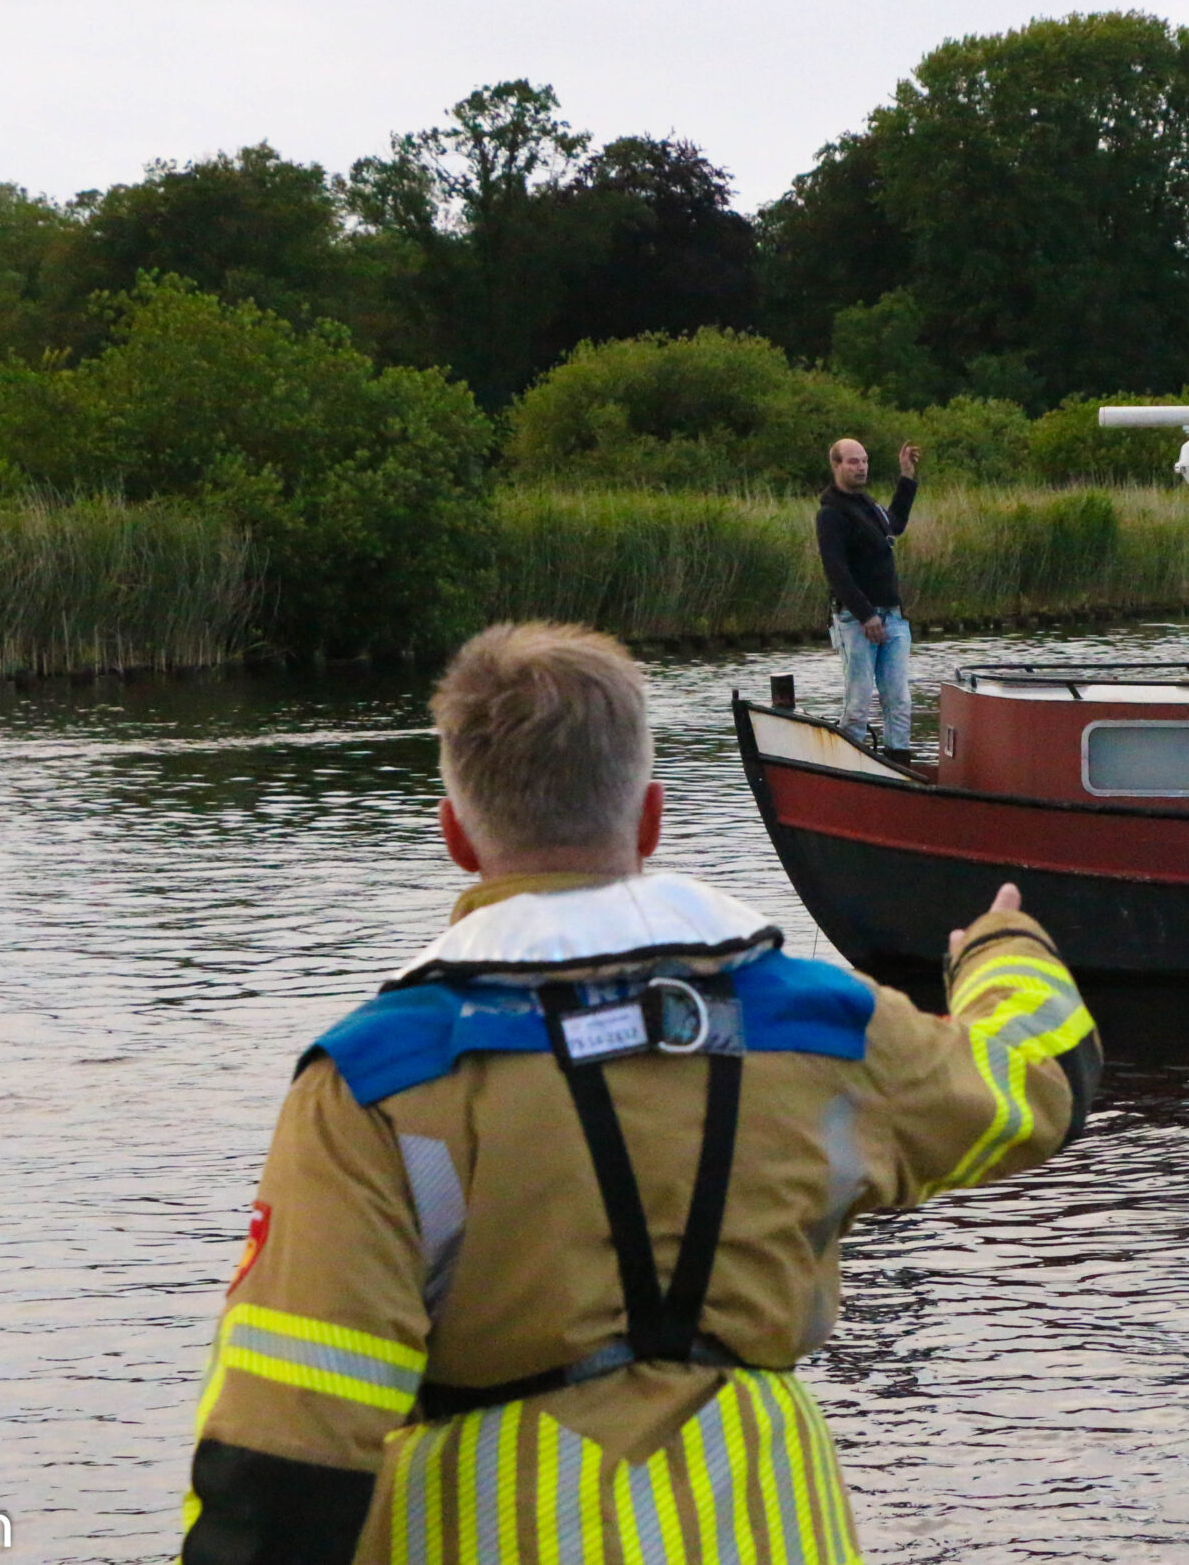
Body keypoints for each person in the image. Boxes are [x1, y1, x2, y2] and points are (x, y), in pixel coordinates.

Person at [178, 621, 1097, 1565]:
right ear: (651, 819)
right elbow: (1039, 1085)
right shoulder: (825, 1023)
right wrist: (1001, 950)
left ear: (456, 833)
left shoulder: (375, 1082)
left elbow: (283, 1460)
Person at [816, 437, 918, 755]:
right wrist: (866, 614)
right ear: (836, 465)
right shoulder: (831, 514)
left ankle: (898, 764)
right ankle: (847, 766)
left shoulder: (868, 506)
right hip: (856, 620)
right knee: (858, 703)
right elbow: (836, 571)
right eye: (853, 462)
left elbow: (895, 525)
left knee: (899, 699)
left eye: (864, 460)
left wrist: (907, 477)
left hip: (893, 616)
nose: (861, 467)